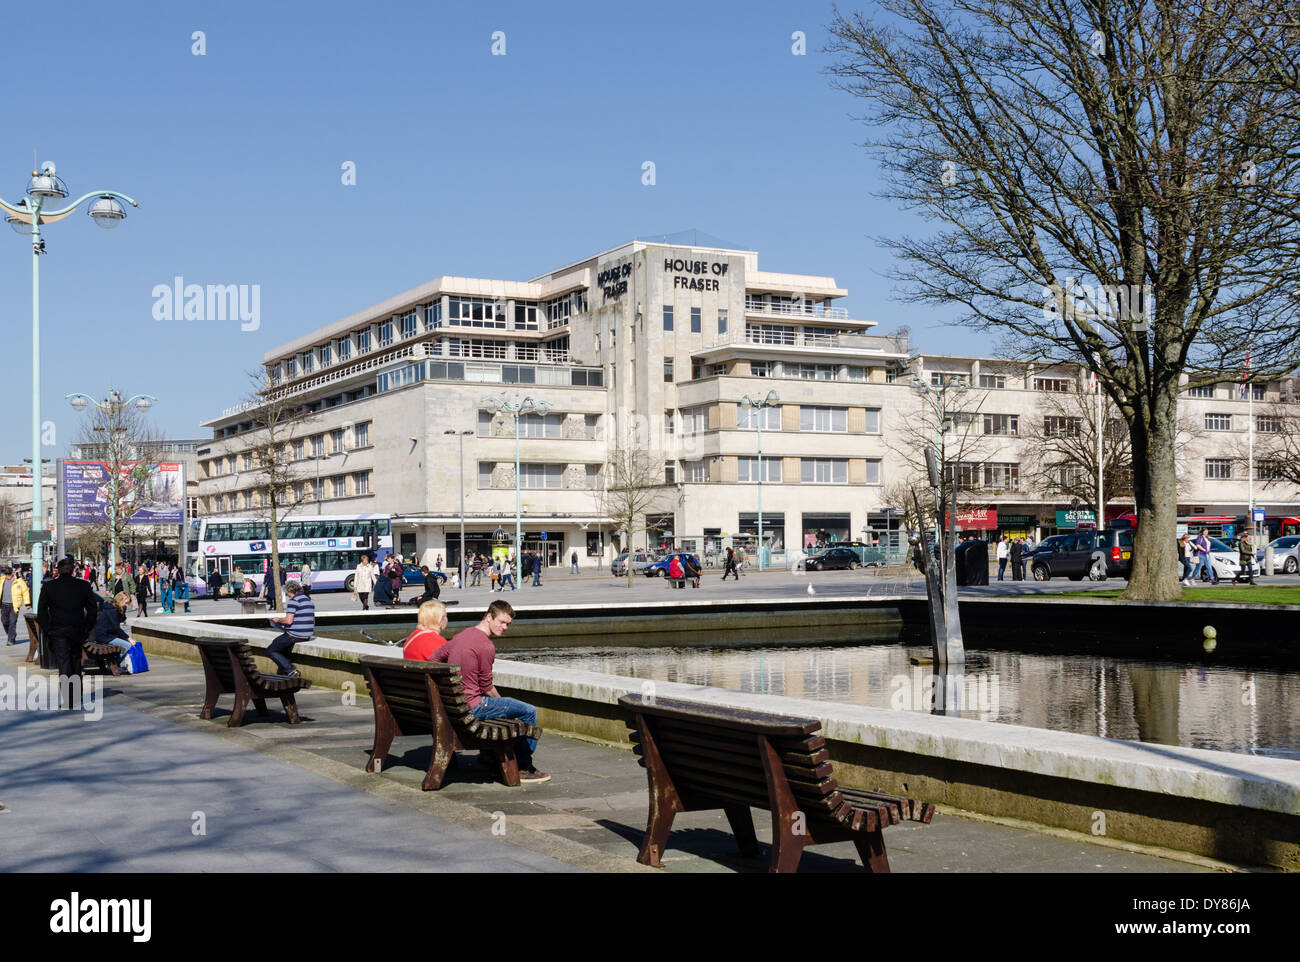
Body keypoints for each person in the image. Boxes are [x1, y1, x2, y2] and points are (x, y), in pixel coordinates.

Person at [433, 599, 548, 783]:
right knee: (528, 711)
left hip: (455, 706)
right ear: (488, 617)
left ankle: (489, 756)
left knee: (509, 707)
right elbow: (487, 687)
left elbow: (434, 658)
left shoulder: (463, 635)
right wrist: (504, 704)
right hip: (474, 707)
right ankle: (522, 765)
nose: (505, 627)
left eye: (508, 624)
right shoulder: (486, 646)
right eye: (501, 622)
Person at [36, 558, 99, 701]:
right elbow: (92, 608)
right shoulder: (83, 586)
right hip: (77, 629)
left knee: (63, 663)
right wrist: (87, 626)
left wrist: (47, 629)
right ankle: (76, 695)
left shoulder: (49, 587)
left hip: (57, 630)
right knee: (76, 661)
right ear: (72, 570)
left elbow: (41, 611)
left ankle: (68, 697)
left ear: (57, 570)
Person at [266, 581, 314, 677]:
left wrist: (278, 620)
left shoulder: (294, 601)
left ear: (290, 590)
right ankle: (284, 671)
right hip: (307, 635)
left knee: (271, 650)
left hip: (295, 635)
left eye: (287, 593)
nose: (287, 595)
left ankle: (291, 670)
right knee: (280, 645)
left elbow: (288, 621)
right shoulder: (307, 600)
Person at [93, 592, 138, 671]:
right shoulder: (112, 610)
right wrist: (128, 638)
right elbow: (116, 628)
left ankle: (115, 665)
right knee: (127, 645)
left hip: (107, 634)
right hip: (104, 636)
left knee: (124, 644)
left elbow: (121, 620)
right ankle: (114, 666)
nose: (126, 605)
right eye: (125, 603)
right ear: (120, 600)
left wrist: (123, 611)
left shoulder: (114, 608)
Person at [1, 564, 31, 645]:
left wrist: (27, 603)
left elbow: (25, 592)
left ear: (12, 573)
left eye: (9, 574)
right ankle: (12, 634)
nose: (7, 576)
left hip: (14, 606)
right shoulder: (1, 580)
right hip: (4, 605)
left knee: (12, 622)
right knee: (4, 621)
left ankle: (10, 640)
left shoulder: (19, 581)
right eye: (6, 574)